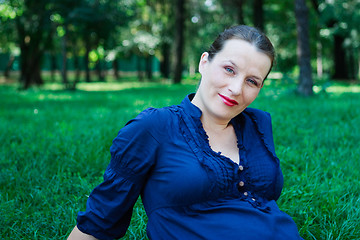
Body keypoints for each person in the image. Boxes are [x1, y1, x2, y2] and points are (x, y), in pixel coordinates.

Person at [68, 25, 303, 240]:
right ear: (204, 63)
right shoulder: (154, 127)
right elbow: (100, 219)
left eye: (252, 81)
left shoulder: (258, 124)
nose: (236, 89)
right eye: (229, 69)